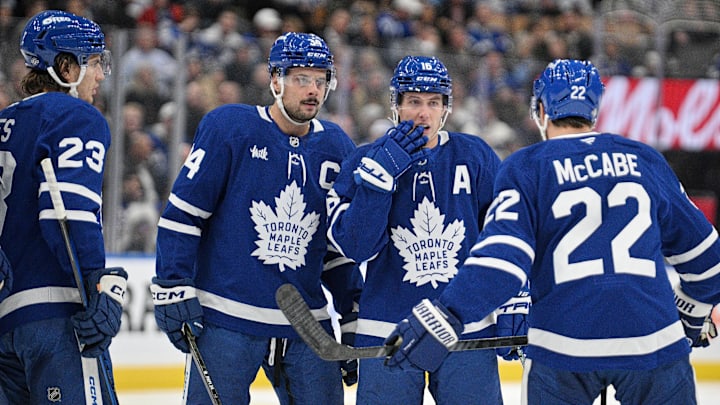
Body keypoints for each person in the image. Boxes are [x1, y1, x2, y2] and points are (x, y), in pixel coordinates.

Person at [383, 59, 720, 404]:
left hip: (563, 348)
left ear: (541, 109)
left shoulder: (527, 166)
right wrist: (691, 312)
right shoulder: (643, 159)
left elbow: (502, 262)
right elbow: (708, 259)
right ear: (593, 109)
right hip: (654, 342)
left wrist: (445, 314)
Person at [152, 32, 361, 405]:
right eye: (301, 78)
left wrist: (352, 310)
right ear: (275, 79)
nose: (312, 89)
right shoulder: (230, 128)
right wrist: (172, 283)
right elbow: (184, 214)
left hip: (307, 324)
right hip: (227, 318)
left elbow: (333, 245)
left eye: (320, 79)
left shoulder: (337, 146)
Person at [326, 55, 529, 405]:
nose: (424, 113)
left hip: (464, 324)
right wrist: (379, 181)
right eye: (414, 102)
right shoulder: (365, 160)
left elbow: (509, 232)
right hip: (386, 329)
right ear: (397, 106)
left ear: (445, 108)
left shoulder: (474, 155)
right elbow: (356, 247)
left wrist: (517, 294)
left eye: (433, 102)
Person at [0, 10, 128, 404]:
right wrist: (97, 286)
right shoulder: (75, 116)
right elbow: (66, 214)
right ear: (66, 67)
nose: (101, 75)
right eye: (94, 63)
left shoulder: (4, 122)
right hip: (55, 319)